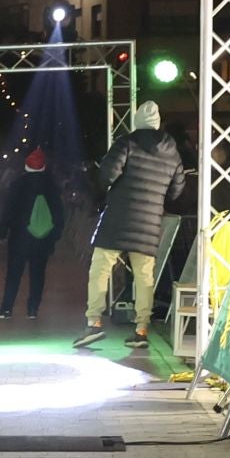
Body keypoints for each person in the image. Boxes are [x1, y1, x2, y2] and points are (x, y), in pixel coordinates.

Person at [75, 101, 184, 350]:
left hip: (118, 219)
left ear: (137, 121)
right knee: (145, 276)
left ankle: (94, 323)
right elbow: (177, 190)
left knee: (101, 269)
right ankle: (141, 329)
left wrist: (103, 187)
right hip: (149, 222)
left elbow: (107, 175)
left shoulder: (127, 143)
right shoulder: (172, 151)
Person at [0, 147, 64, 320]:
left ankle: (7, 308)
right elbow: (58, 213)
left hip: (20, 237)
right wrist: (54, 236)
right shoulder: (51, 185)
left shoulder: (18, 184)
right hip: (42, 238)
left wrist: (2, 232)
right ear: (43, 167)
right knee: (38, 273)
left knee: (14, 273)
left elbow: (8, 210)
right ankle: (32, 309)